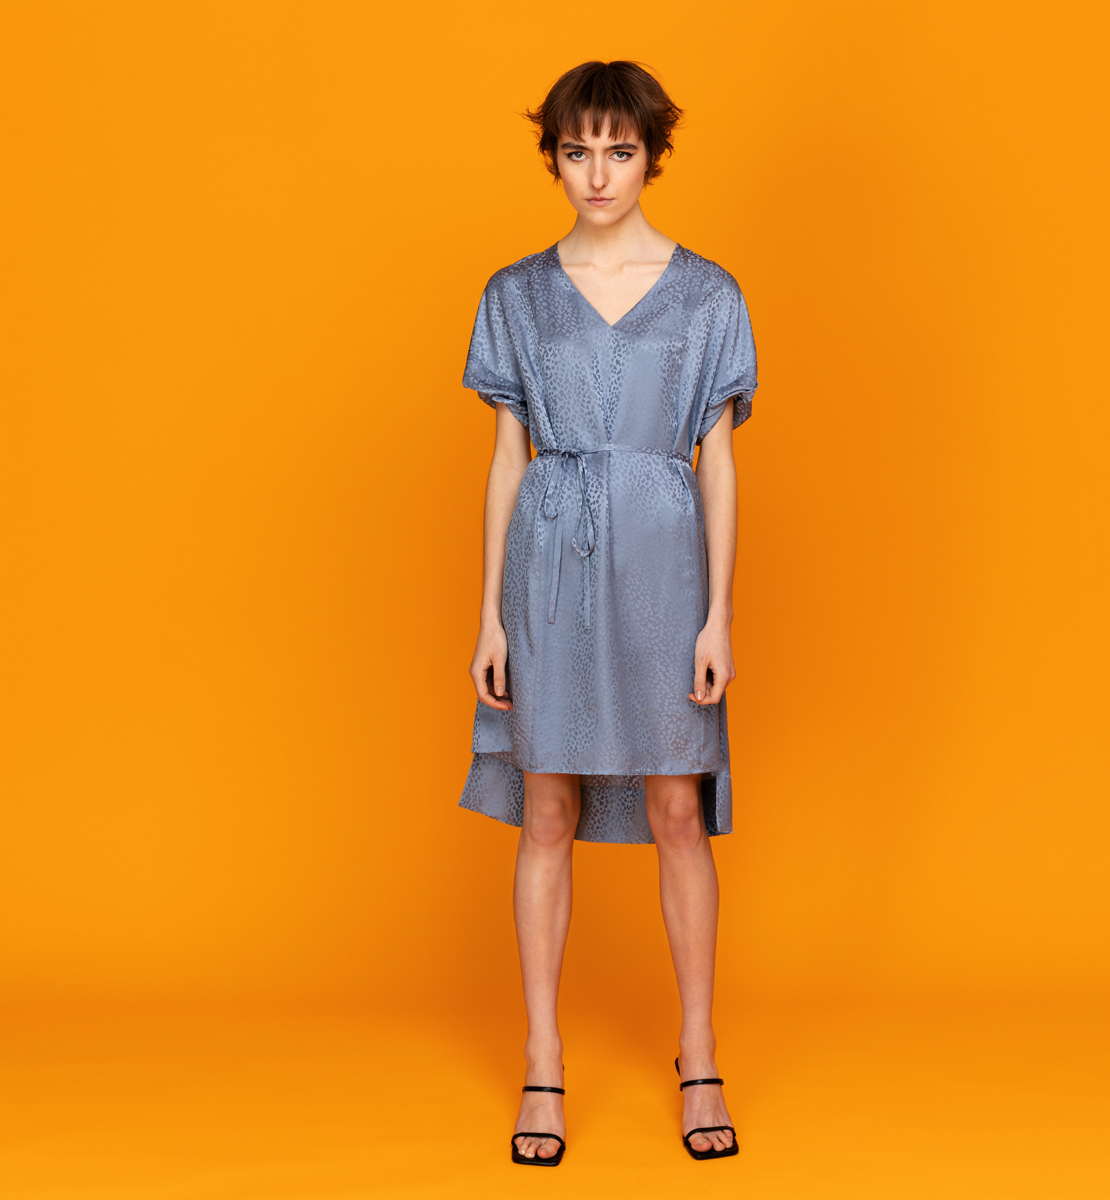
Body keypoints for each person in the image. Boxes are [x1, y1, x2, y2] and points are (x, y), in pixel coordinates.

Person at [460, 60, 757, 1166]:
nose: (597, 174)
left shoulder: (709, 294)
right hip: (547, 565)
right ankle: (542, 1060)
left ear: (651, 157)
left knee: (678, 808)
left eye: (619, 151)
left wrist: (718, 616)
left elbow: (719, 464)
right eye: (576, 151)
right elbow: (506, 461)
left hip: (666, 564)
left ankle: (700, 1052)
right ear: (552, 157)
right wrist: (489, 618)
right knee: (546, 808)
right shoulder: (515, 294)